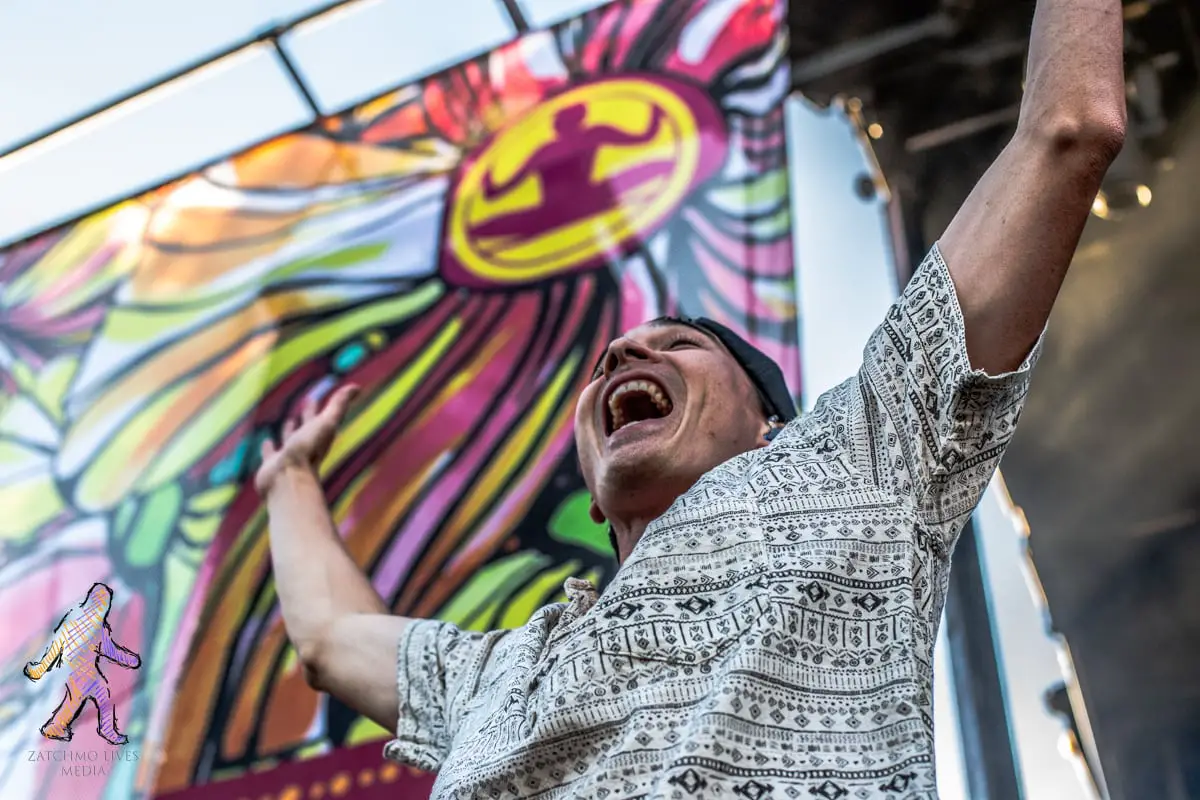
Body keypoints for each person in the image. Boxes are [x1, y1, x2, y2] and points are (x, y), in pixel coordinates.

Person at [254, 0, 1126, 794]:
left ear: (768, 428)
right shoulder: (500, 674)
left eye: (679, 344)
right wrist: (289, 476)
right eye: (612, 361)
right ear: (595, 500)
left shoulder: (855, 466)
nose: (624, 351)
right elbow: (328, 637)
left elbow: (1069, 129)